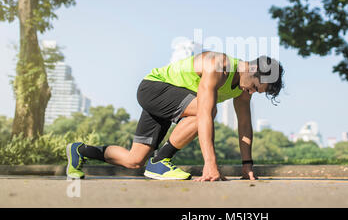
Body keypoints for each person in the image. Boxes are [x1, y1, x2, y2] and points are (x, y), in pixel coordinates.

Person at [66, 51, 284, 181]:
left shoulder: (243, 88)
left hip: (172, 101)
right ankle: (160, 160)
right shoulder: (220, 65)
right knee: (207, 109)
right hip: (154, 88)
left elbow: (244, 126)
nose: (252, 93)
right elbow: (205, 114)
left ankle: (80, 150)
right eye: (255, 86)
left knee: (134, 161)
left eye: (257, 92)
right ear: (253, 69)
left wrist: (247, 165)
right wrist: (211, 164)